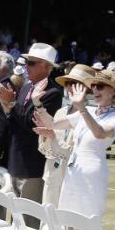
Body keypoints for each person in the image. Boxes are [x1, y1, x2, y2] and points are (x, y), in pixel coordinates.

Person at [37, 70, 115, 230]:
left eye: (100, 85)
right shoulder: (89, 110)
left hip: (92, 174)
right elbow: (53, 124)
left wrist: (82, 109)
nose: (95, 89)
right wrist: (37, 102)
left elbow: (100, 133)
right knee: (72, 226)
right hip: (73, 172)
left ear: (114, 91)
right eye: (93, 85)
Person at [0, 42, 63, 211]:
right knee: (15, 217)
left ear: (46, 66)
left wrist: (11, 102)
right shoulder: (25, 88)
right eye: (26, 62)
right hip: (16, 159)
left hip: (33, 164)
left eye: (31, 63)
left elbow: (33, 124)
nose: (26, 67)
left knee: (28, 219)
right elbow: (13, 121)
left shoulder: (52, 93)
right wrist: (7, 107)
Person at [33, 63, 95, 207]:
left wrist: (53, 137)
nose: (69, 87)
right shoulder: (61, 111)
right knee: (47, 219)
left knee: (67, 223)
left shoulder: (90, 115)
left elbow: (77, 152)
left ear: (86, 88)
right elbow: (46, 148)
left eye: (74, 83)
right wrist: (46, 135)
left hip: (73, 177)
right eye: (68, 83)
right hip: (52, 173)